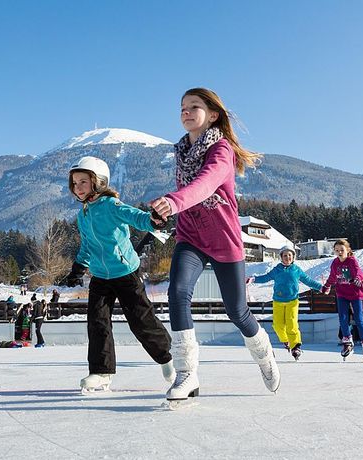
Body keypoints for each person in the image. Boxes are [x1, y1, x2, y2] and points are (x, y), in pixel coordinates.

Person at [150, 87, 280, 403]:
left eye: (194, 106)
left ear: (213, 114)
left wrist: (173, 200)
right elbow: (190, 194)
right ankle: (186, 374)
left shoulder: (222, 152)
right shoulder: (182, 153)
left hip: (224, 241)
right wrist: (164, 212)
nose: (186, 112)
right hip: (191, 238)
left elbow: (204, 185)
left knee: (237, 312)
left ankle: (264, 353)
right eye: (182, 107)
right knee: (178, 292)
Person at [65, 155, 174, 393]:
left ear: (98, 182)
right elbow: (87, 244)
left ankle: (166, 356)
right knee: (97, 322)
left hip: (125, 273)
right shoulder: (83, 214)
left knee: (140, 322)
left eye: (83, 182)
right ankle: (101, 373)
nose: (78, 187)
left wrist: (154, 220)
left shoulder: (111, 206)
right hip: (100, 277)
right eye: (74, 183)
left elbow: (137, 217)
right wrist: (79, 266)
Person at [247, 244, 323, 360]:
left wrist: (320, 287)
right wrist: (253, 279)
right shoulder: (277, 270)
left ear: (293, 257)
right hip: (278, 301)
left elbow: (308, 281)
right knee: (278, 326)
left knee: (291, 324)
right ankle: (285, 340)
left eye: (290, 255)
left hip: (292, 301)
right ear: (281, 257)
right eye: (285, 255)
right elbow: (265, 277)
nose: (287, 257)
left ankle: (296, 346)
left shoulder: (296, 270)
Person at [323, 239, 363, 362]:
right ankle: (347, 341)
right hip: (342, 294)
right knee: (342, 317)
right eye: (337, 250)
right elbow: (332, 276)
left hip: (356, 294)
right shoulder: (335, 263)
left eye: (342, 250)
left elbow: (359, 272)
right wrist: (327, 285)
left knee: (359, 318)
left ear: (347, 250)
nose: (339, 252)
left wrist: (358, 278)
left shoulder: (352, 261)